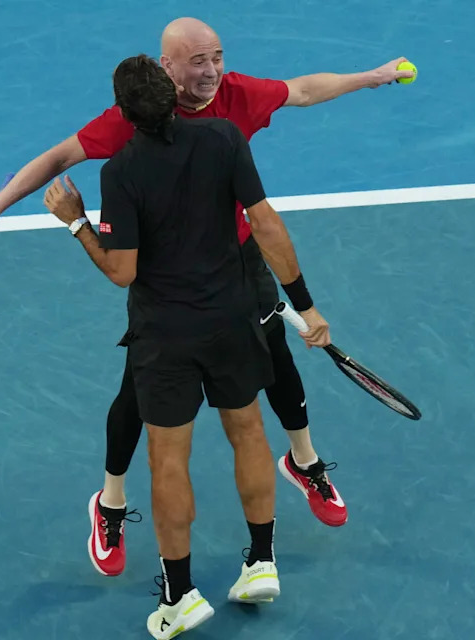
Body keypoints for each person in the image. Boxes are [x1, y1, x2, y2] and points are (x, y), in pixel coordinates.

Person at [0, 16, 415, 576]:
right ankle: (110, 501)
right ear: (166, 68)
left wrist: (370, 76)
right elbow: (57, 160)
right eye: (199, 62)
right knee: (137, 393)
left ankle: (305, 462)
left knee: (275, 356)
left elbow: (301, 90)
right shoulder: (135, 121)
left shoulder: (236, 96)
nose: (212, 71)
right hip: (165, 278)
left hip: (235, 261)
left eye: (217, 57)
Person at [43, 53, 331, 640]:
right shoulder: (225, 138)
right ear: (171, 98)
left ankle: (179, 594)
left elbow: (122, 271)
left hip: (165, 337)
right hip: (232, 321)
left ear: (125, 113)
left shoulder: (119, 172)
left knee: (168, 460)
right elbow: (268, 225)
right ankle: (261, 563)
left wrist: (75, 223)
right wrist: (304, 303)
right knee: (249, 432)